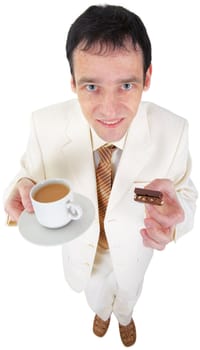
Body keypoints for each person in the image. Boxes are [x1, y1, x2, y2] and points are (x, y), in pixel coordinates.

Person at [4, 4, 198, 347]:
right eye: (91, 86)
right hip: (81, 253)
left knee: (129, 293)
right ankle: (101, 312)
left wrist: (178, 220)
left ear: (148, 78)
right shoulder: (44, 125)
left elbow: (184, 195)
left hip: (136, 252)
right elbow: (30, 174)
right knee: (95, 293)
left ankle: (124, 316)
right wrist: (22, 186)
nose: (109, 110)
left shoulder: (174, 131)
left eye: (126, 85)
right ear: (73, 83)